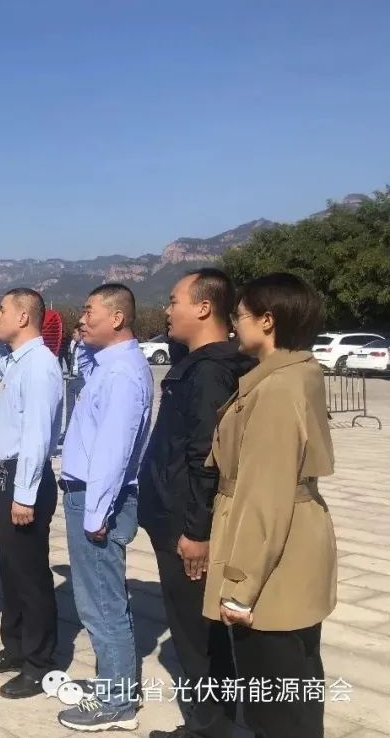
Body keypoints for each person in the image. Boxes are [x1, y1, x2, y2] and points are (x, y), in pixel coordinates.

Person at [204, 273, 336, 738]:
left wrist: (240, 587)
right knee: (296, 683)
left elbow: (265, 496)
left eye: (239, 315)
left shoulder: (277, 389)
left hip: (273, 558)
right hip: (294, 540)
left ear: (267, 320)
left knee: (274, 697)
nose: (234, 324)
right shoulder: (296, 373)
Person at [138, 269, 255, 738]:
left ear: (204, 308)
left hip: (186, 525)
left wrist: (196, 532)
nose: (167, 310)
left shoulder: (210, 371)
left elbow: (206, 458)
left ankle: (210, 729)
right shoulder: (202, 363)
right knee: (198, 633)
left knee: (196, 637)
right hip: (178, 516)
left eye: (174, 301)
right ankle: (212, 724)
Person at [57, 284, 152, 733]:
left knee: (101, 604)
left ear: (116, 318)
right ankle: (116, 685)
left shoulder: (122, 375)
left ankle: (117, 703)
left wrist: (96, 514)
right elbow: (84, 364)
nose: (81, 318)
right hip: (89, 494)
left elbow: (114, 450)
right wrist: (81, 340)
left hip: (98, 500)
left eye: (88, 311)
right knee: (98, 598)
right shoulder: (109, 364)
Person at [0, 289, 64, 698]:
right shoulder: (18, 360)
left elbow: (37, 435)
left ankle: (38, 663)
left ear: (24, 316)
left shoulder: (40, 365)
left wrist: (24, 494)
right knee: (12, 569)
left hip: (20, 477)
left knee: (29, 574)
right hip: (4, 475)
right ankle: (15, 646)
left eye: (3, 310)